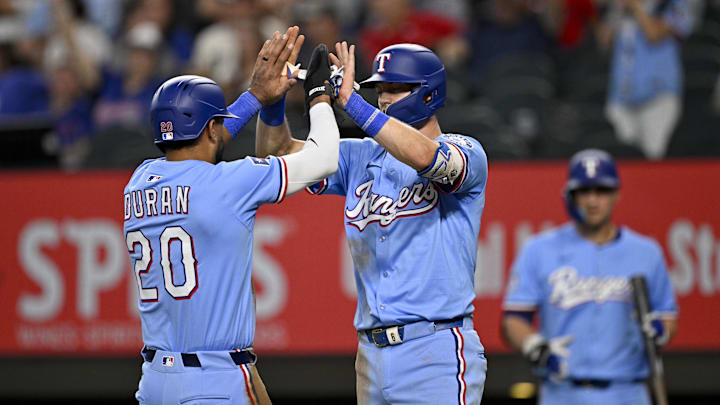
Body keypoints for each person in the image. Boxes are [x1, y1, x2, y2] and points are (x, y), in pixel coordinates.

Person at [256, 41, 488, 405]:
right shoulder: (359, 157)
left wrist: (352, 104)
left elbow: (428, 158)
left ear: (428, 94)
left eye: (395, 88)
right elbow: (277, 155)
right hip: (371, 353)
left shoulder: (466, 150)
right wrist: (271, 103)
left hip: (435, 348)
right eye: (379, 89)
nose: (384, 98)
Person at [123, 27, 340, 404]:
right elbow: (324, 159)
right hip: (213, 379)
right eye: (218, 122)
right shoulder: (230, 181)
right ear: (210, 126)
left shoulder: (139, 180)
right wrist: (319, 97)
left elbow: (205, 143)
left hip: (155, 381)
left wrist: (257, 97)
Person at [501, 149, 678, 404]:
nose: (593, 200)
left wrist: (661, 330)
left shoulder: (646, 252)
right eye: (584, 191)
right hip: (561, 392)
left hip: (628, 391)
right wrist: (536, 347)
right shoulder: (539, 249)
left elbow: (668, 316)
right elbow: (514, 320)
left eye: (601, 191)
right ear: (570, 197)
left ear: (617, 194)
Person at [601, 0, 693, 160]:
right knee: (625, 159)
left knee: (652, 159)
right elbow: (604, 41)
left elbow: (654, 34)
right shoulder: (622, 8)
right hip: (621, 99)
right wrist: (617, 11)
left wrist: (637, 7)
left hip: (658, 97)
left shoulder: (674, 5)